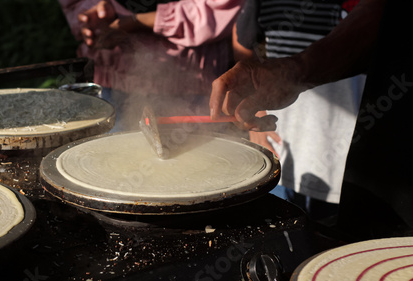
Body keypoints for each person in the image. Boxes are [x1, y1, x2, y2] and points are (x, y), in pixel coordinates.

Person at [210, 0, 413, 241]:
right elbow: (242, 39)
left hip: (347, 153)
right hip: (286, 151)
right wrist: (287, 78)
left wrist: (296, 70)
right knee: (287, 240)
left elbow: (378, 20)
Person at [231, 0, 366, 221]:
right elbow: (242, 42)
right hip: (282, 148)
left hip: (347, 159)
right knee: (283, 239)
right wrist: (255, 114)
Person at [59, 0, 244, 130]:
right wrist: (92, 14)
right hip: (113, 82)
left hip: (192, 86)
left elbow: (223, 7)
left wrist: (140, 21)